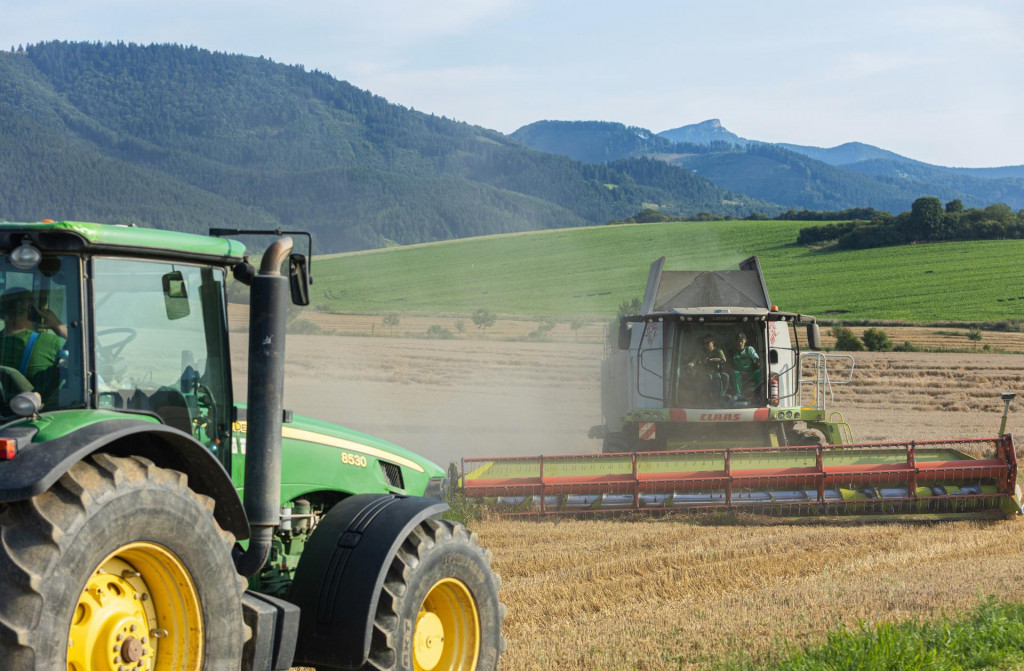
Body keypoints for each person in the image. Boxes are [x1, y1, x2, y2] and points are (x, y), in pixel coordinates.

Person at [0, 287, 67, 405]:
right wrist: (58, 326)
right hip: (34, 410)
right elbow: (85, 350)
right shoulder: (49, 342)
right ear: (32, 313)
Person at [686, 333, 729, 403]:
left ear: (713, 342)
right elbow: (694, 361)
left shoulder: (718, 351)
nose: (705, 345)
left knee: (725, 376)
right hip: (705, 372)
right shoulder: (701, 352)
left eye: (707, 343)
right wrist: (690, 364)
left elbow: (723, 360)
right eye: (704, 343)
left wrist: (711, 360)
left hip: (717, 371)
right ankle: (710, 397)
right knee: (709, 377)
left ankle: (722, 396)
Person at [729, 332, 761, 402]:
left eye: (742, 341)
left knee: (758, 372)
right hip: (739, 373)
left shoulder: (749, 349)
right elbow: (729, 366)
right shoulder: (732, 352)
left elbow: (757, 358)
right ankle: (738, 394)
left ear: (745, 341)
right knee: (735, 373)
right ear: (735, 342)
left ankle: (758, 393)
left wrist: (758, 363)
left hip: (750, 372)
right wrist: (737, 371)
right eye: (738, 341)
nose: (740, 343)